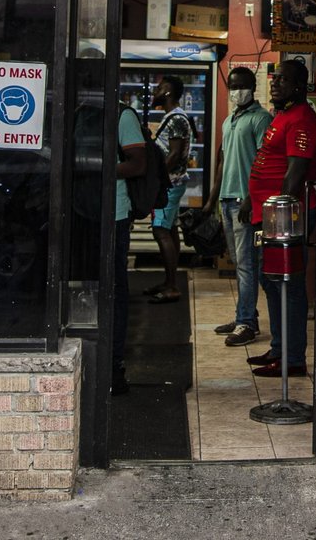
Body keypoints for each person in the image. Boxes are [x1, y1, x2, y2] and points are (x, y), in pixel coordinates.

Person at [245, 58, 316, 378]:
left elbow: (295, 173)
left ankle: (292, 358)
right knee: (271, 281)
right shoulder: (282, 115)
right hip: (266, 213)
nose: (275, 84)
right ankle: (278, 349)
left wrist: (279, 218)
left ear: (299, 87)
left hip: (285, 216)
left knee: (287, 285)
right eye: (274, 79)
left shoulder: (301, 118)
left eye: (283, 80)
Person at [205, 65, 271, 347]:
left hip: (245, 203)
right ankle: (245, 315)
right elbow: (223, 161)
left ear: (253, 88)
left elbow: (264, 162)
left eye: (242, 86)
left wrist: (251, 199)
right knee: (238, 262)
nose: (237, 91)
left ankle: (247, 324)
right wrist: (212, 198)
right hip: (226, 200)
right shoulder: (229, 120)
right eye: (233, 86)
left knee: (247, 265)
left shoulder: (261, 118)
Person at [110, 85, 149, 396]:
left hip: (115, 215)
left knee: (114, 289)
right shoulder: (77, 112)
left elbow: (138, 163)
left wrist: (97, 169)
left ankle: (114, 364)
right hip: (81, 212)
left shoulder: (122, 115)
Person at [146, 74, 192, 305]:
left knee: (160, 230)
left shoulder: (176, 119)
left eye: (159, 87)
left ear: (168, 92)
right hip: (172, 182)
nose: (155, 91)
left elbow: (174, 155)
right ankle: (169, 281)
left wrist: (157, 179)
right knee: (170, 229)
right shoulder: (173, 117)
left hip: (170, 184)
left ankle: (172, 287)